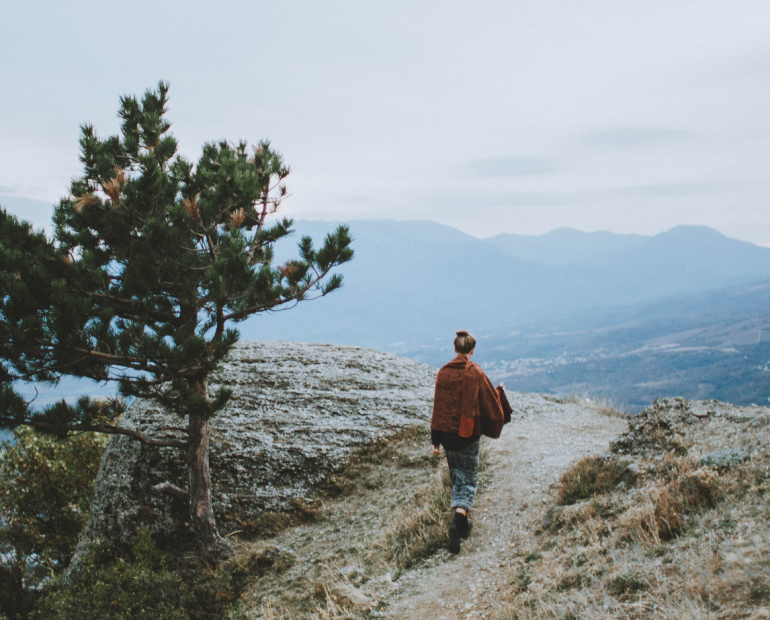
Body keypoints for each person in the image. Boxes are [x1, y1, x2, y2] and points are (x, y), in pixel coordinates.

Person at [430, 330, 512, 554]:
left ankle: (463, 525)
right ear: (472, 350)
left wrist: (435, 440)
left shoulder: (443, 373)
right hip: (467, 434)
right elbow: (488, 399)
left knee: (457, 475)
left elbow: (439, 408)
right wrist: (500, 395)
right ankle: (458, 522)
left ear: (455, 348)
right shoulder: (475, 372)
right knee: (469, 478)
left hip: (446, 435)